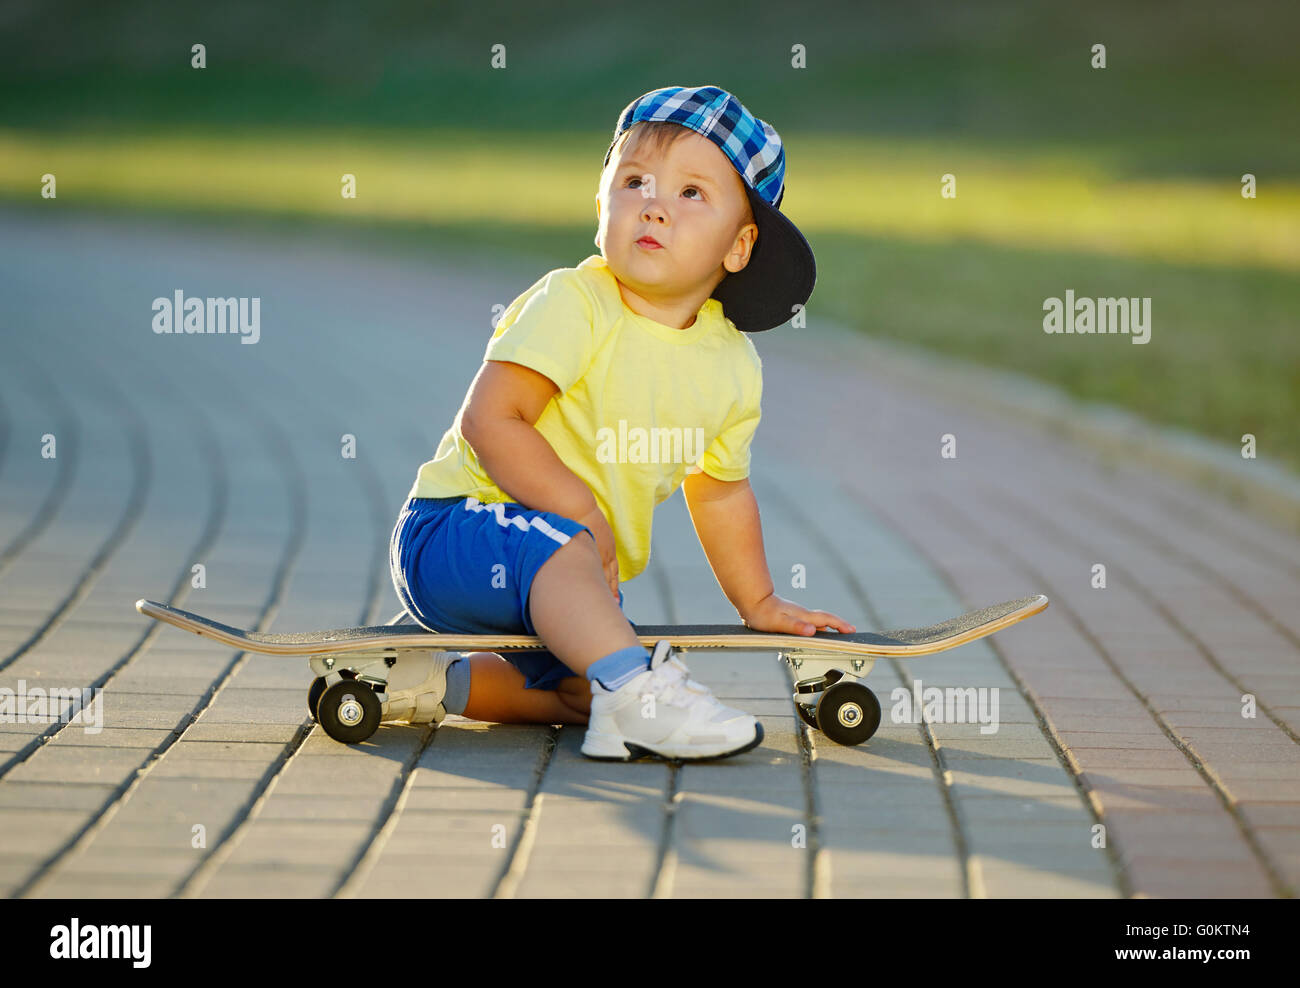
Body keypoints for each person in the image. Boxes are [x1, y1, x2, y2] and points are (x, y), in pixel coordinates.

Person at [386, 84, 854, 761]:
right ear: (602, 204)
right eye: (634, 181)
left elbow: (718, 490)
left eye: (692, 193)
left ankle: (431, 688)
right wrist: (582, 513)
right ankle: (643, 694)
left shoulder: (731, 364)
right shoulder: (576, 302)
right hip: (456, 532)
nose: (655, 205)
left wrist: (760, 602)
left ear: (740, 245)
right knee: (578, 578)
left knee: (587, 690)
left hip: (564, 576)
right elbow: (493, 420)